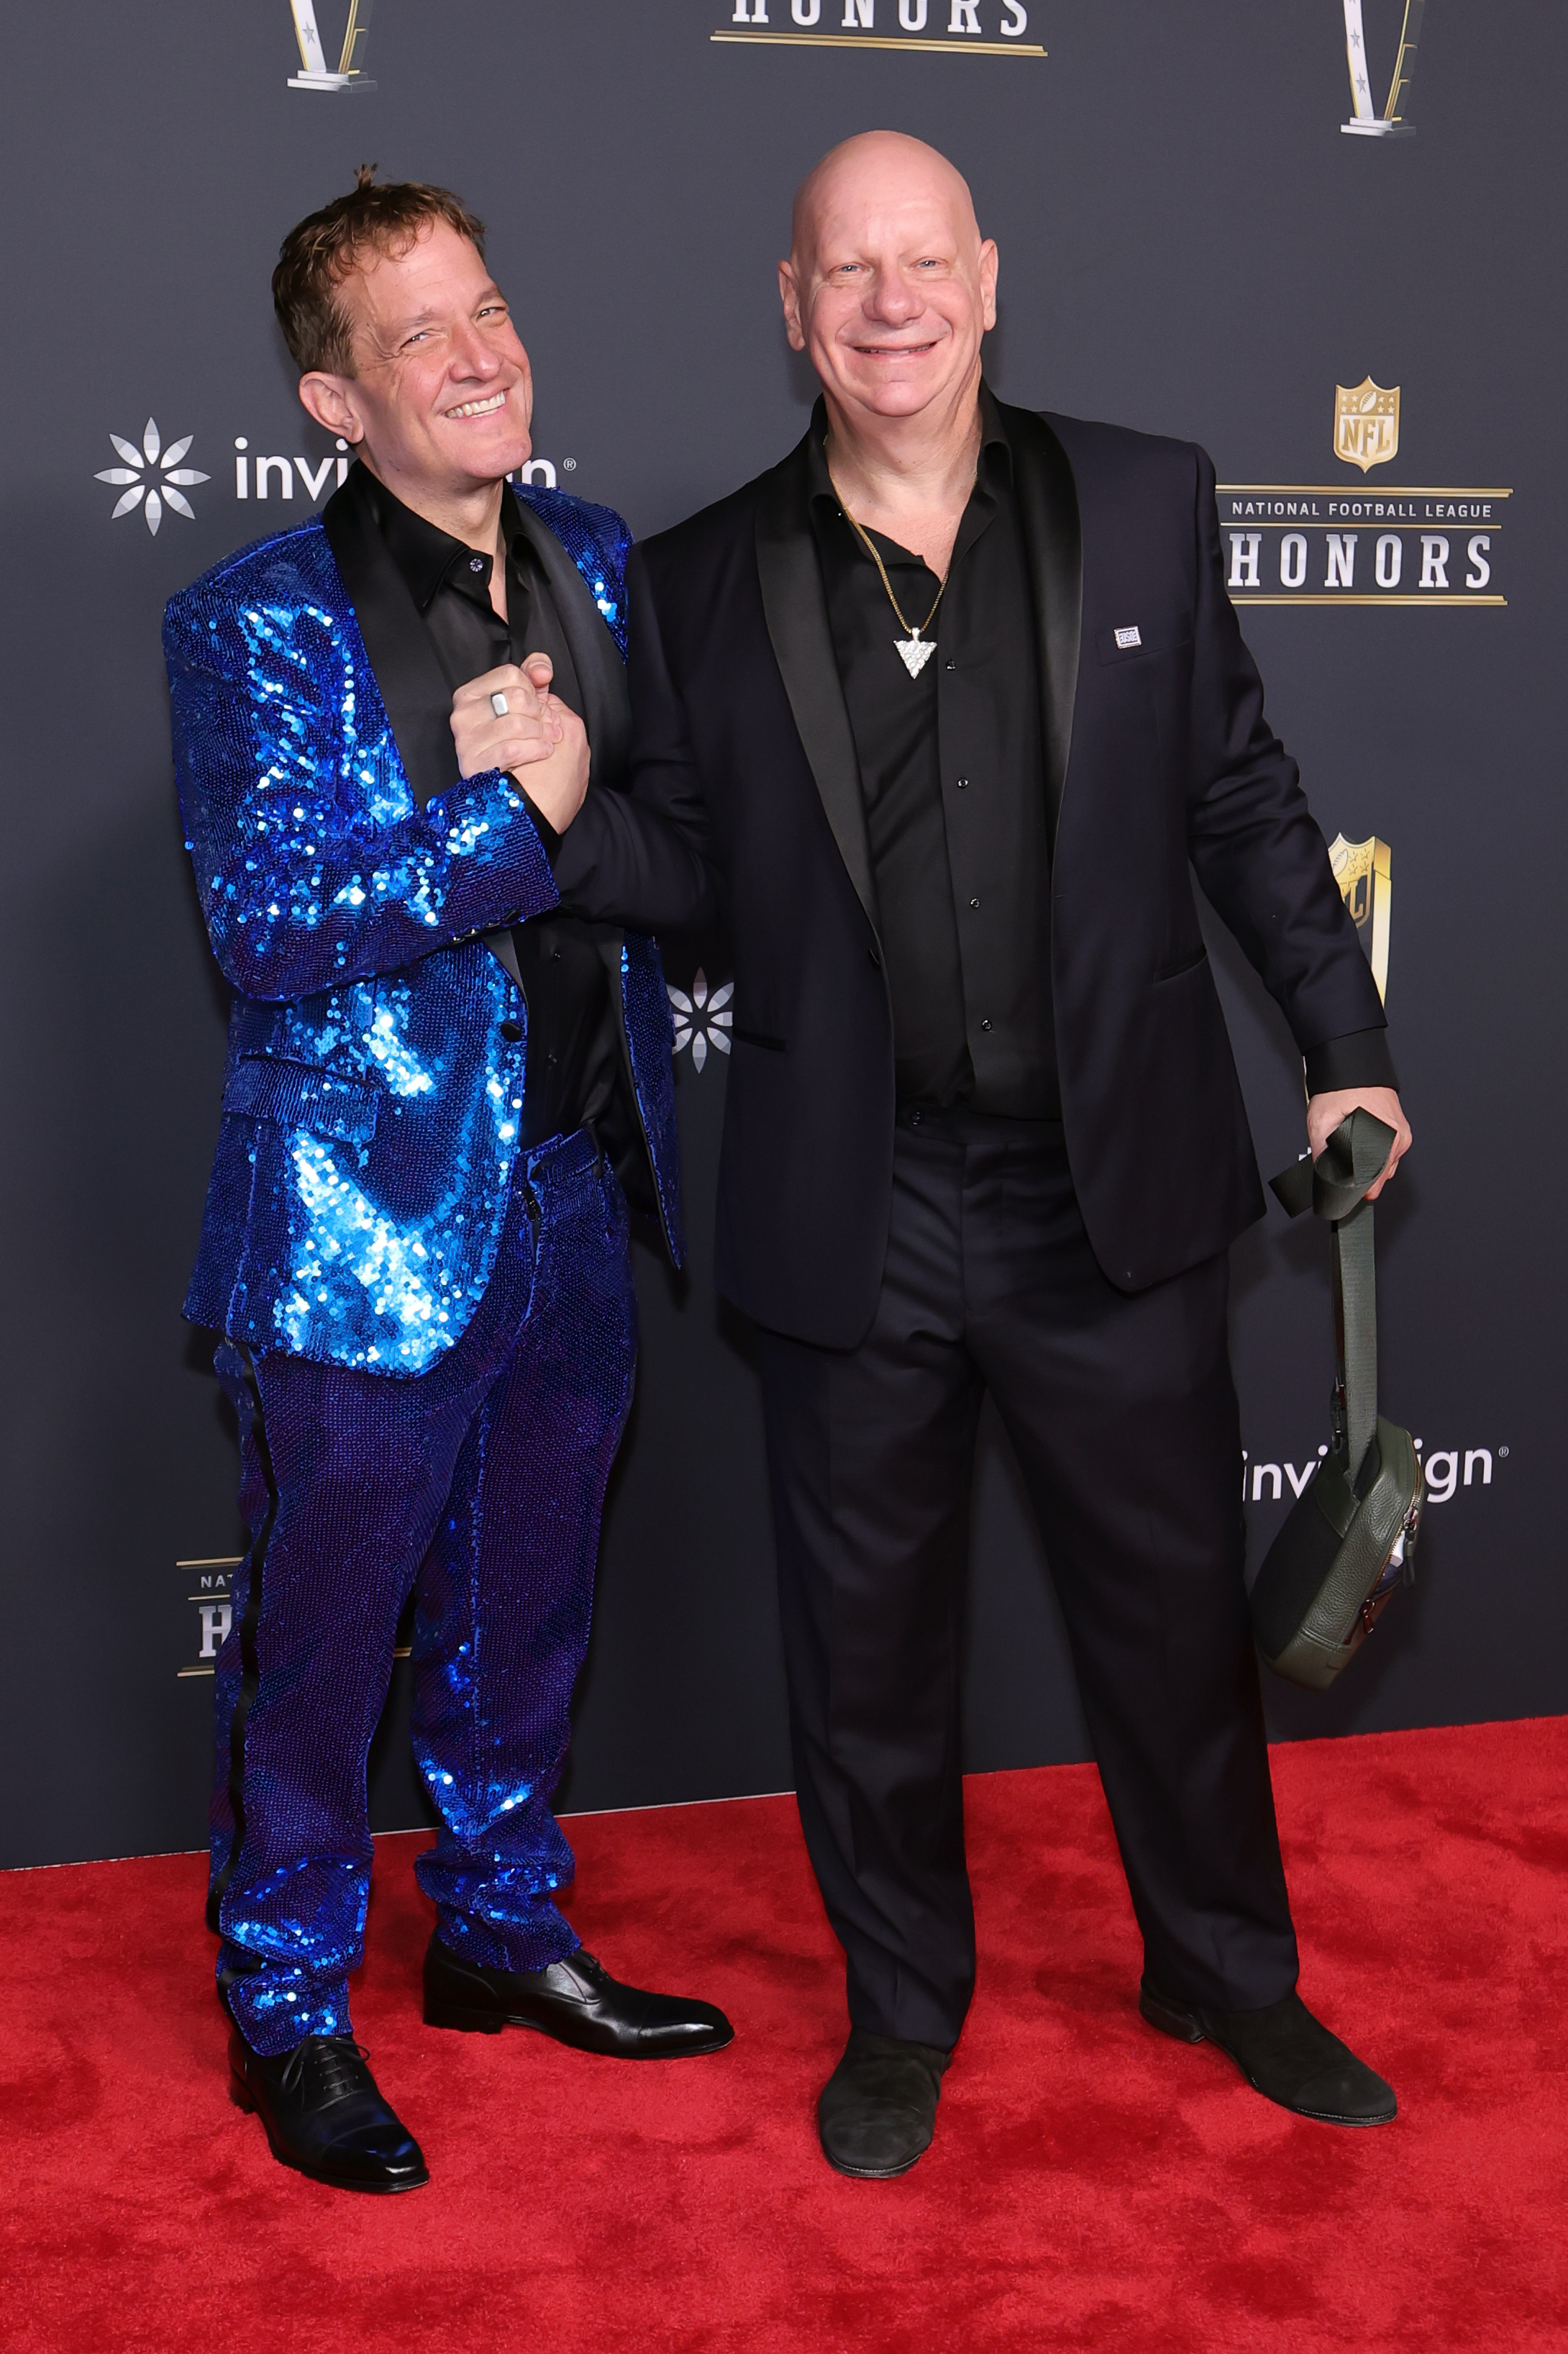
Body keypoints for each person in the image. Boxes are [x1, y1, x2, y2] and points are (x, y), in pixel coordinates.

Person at [552, 131, 1413, 2179]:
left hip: (1103, 1186)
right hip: (859, 1208)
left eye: (919, 259)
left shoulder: (1141, 497)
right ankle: (902, 2013)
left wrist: (1343, 1044)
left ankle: (1219, 1964)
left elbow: (1239, 797)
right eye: (843, 269)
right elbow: (680, 876)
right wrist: (569, 804)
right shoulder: (694, 580)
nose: (885, 300)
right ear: (790, 306)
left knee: (1170, 1621)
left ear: (986, 277)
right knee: (864, 1655)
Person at [165, 173, 730, 2196]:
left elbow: (668, 828)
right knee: (322, 1648)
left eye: (482, 305)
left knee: (530, 1607)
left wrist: (591, 813)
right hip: (355, 1230)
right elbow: (267, 927)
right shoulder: (244, 620)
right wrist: (510, 820)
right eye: (418, 333)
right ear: (336, 401)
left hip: (574, 1194)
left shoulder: (592, 555)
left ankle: (501, 1936)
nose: (477, 351)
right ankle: (290, 2003)